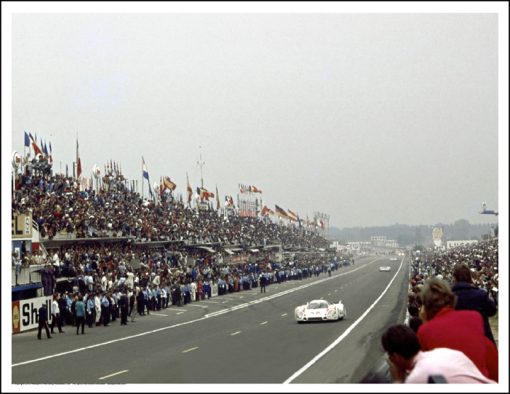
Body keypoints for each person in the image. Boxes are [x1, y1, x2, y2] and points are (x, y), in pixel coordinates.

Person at [417, 277, 498, 381]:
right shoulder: (474, 316)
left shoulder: (424, 331)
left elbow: (425, 370)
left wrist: (425, 322)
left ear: (425, 306)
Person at [381, 324, 495, 383]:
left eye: (390, 357)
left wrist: (398, 380)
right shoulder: (447, 352)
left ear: (395, 356)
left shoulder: (417, 378)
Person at [451, 263, 497, 344]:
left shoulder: (448, 297)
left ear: (454, 278)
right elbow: (492, 310)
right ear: (469, 277)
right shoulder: (480, 294)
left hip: (459, 342)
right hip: (482, 340)